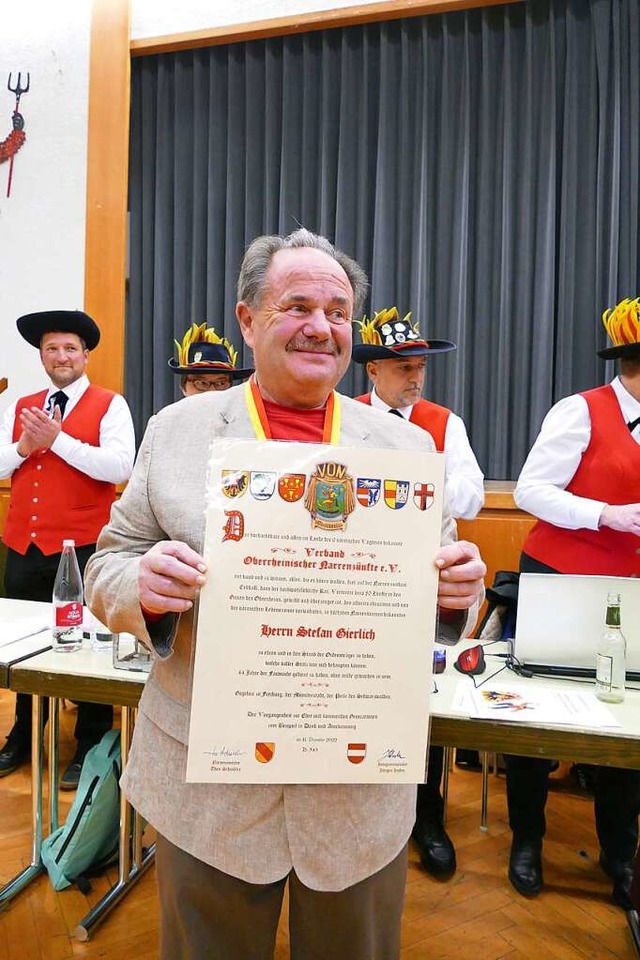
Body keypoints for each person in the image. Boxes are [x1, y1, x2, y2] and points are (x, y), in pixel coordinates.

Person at [85, 228, 485, 960]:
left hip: (358, 790)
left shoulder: (406, 451)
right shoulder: (176, 431)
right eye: (296, 304)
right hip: (209, 791)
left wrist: (458, 592)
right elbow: (107, 562)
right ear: (247, 319)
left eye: (337, 311)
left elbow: (441, 593)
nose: (320, 325)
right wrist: (138, 586)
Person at [505, 296, 640, 909]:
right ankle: (526, 840)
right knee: (536, 712)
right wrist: (607, 515)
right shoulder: (580, 411)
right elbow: (532, 490)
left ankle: (619, 850)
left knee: (626, 719)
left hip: (629, 593)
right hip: (560, 578)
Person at [353, 306, 484, 881]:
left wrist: (405, 484)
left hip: (424, 575)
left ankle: (427, 816)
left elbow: (473, 496)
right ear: (373, 373)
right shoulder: (343, 417)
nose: (415, 378)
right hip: (359, 576)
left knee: (419, 696)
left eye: (420, 367)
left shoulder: (443, 422)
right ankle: (361, 809)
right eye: (403, 367)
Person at [0, 310, 135, 788]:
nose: (62, 356)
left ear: (86, 355)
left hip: (83, 546)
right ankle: (24, 730)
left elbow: (119, 467)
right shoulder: (24, 403)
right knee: (25, 646)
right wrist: (23, 446)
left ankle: (93, 740)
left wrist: (57, 441)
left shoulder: (109, 404)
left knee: (88, 648)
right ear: (42, 356)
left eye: (70, 349)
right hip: (24, 544)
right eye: (52, 349)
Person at [169, 321, 253, 396]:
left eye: (221, 383)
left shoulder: (244, 413)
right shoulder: (169, 414)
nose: (212, 392)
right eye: (202, 383)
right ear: (183, 387)